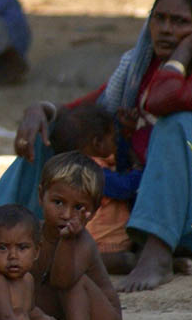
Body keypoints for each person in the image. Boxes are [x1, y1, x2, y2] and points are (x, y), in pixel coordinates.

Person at [0, 0, 192, 292]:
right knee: (54, 134)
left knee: (178, 123)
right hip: (144, 202)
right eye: (160, 19)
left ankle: (157, 254)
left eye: (180, 22)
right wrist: (41, 111)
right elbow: (82, 111)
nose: (166, 29)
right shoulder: (142, 68)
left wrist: (186, 50)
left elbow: (163, 100)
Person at [33, 152, 123, 320]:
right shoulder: (31, 233)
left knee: (74, 280)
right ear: (40, 196)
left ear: (93, 212)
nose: (66, 214)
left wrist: (67, 241)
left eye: (78, 208)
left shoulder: (82, 243)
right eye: (58, 202)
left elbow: (62, 281)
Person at [50, 105, 142, 272]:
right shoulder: (91, 173)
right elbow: (125, 188)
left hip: (108, 242)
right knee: (128, 261)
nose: (116, 145)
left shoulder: (80, 169)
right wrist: (137, 169)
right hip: (101, 246)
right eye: (114, 140)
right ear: (97, 143)